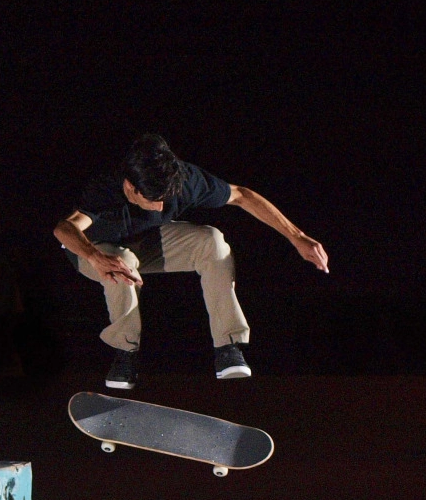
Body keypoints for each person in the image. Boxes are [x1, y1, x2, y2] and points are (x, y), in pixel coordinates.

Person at [54, 134, 329, 389]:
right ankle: (125, 353)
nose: (161, 208)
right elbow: (65, 228)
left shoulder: (185, 180)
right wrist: (94, 256)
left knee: (212, 241)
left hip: (148, 244)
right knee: (121, 261)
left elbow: (242, 196)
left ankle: (228, 347)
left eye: (165, 199)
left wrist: (297, 236)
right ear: (130, 187)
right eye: (153, 200)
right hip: (93, 250)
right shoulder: (104, 189)